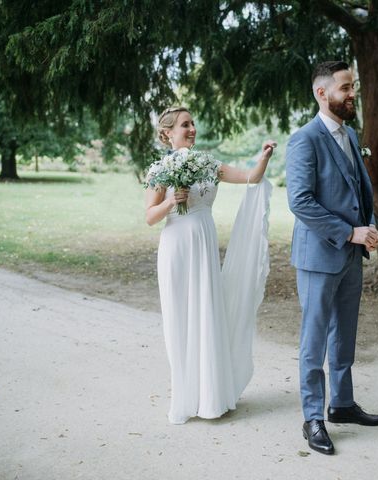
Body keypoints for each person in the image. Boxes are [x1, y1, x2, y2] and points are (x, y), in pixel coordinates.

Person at [145, 106, 275, 424]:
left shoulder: (207, 164)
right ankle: (186, 398)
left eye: (193, 123)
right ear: (167, 133)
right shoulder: (160, 170)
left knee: (207, 313)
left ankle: (211, 396)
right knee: (181, 318)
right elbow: (149, 216)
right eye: (185, 124)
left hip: (203, 243)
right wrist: (171, 200)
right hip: (176, 246)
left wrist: (265, 156)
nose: (192, 128)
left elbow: (249, 178)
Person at [285, 61, 378, 455]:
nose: (352, 94)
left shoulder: (350, 134)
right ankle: (313, 418)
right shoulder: (304, 140)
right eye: (345, 88)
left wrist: (370, 228)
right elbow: (301, 202)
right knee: (314, 340)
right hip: (318, 256)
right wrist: (348, 232)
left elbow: (361, 191)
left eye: (353, 87)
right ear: (321, 93)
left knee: (344, 333)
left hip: (351, 254)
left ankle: (341, 404)